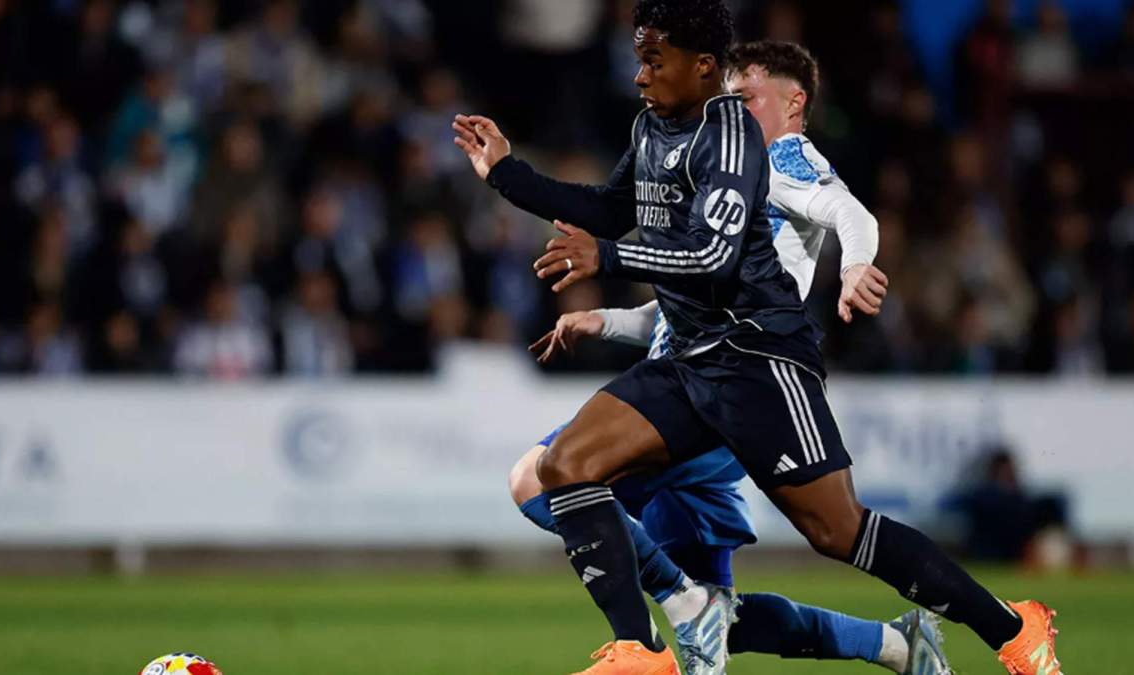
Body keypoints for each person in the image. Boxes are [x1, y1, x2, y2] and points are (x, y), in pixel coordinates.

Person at [453, 3, 1060, 673]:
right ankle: (640, 648)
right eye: (640, 59)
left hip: (759, 360)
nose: (639, 75)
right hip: (687, 361)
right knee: (563, 466)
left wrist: (612, 258)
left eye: (654, 61)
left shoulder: (739, 139)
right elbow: (608, 208)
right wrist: (507, 174)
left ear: (702, 66)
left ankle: (1012, 627)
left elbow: (715, 257)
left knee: (838, 530)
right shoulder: (651, 127)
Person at [508, 39, 950, 675]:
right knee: (723, 620)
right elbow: (688, 307)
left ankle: (680, 602)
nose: (732, 111)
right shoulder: (728, 174)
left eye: (745, 98)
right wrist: (603, 321)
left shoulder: (782, 159)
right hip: (702, 385)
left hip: (710, 394)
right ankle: (898, 646)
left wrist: (855, 265)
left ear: (793, 103)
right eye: (729, 99)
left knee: (540, 478)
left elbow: (851, 215)